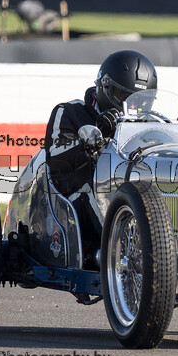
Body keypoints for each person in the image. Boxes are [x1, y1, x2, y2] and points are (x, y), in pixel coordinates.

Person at [44, 50, 158, 255]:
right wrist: (97, 138)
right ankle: (124, 255)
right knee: (96, 193)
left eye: (140, 101)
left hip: (133, 194)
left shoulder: (152, 123)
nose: (131, 107)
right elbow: (58, 163)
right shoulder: (70, 112)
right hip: (77, 196)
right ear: (104, 88)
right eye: (124, 97)